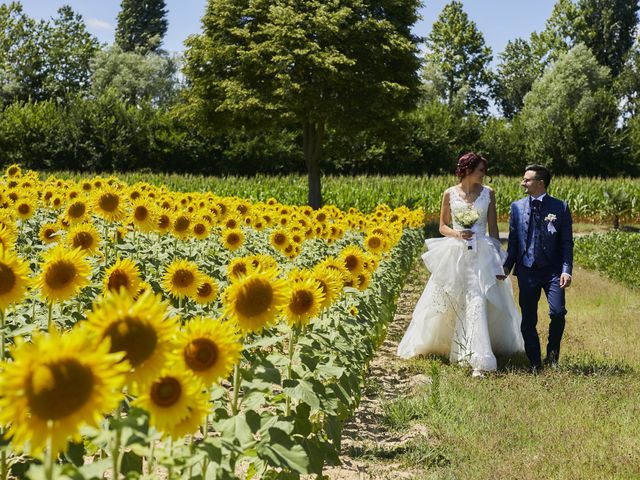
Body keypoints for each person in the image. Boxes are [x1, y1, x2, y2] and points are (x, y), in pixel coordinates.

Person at [397, 152, 524, 377]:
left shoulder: (489, 194)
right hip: (456, 251)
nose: (484, 175)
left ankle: (478, 357)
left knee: (477, 299)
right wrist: (458, 233)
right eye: (480, 171)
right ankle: (441, 344)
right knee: (449, 297)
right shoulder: (449, 194)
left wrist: (497, 258)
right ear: (467, 170)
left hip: (482, 253)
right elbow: (442, 226)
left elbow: (493, 229)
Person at [503, 165, 573, 372]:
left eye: (527, 180)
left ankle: (552, 357)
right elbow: (513, 241)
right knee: (528, 319)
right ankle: (535, 363)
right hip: (527, 270)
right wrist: (506, 266)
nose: (522, 183)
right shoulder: (516, 207)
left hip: (553, 271)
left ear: (540, 183)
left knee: (558, 313)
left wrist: (566, 269)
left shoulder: (560, 207)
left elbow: (566, 242)